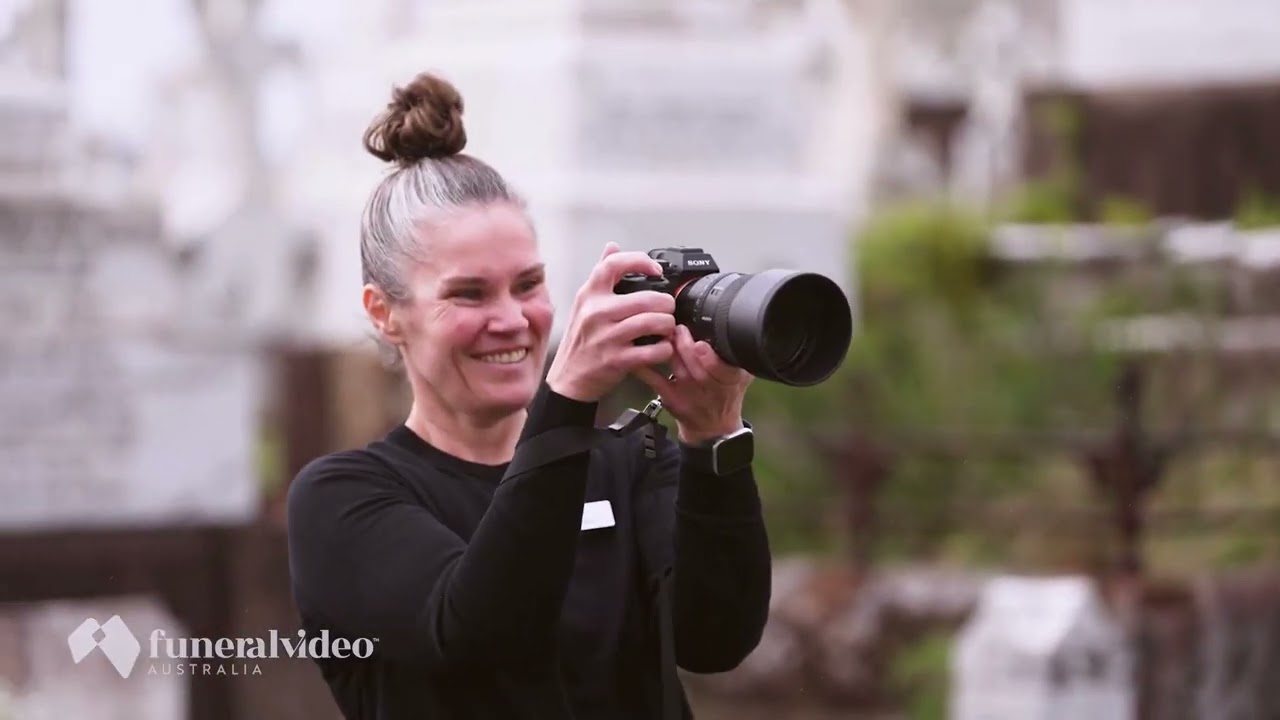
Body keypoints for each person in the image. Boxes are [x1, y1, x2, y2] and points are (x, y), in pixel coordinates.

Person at [285, 71, 772, 720]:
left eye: (528, 285)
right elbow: (478, 637)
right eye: (469, 294)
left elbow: (716, 639)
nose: (512, 320)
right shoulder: (342, 498)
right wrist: (566, 395)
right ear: (385, 313)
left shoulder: (626, 463)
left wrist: (714, 438)